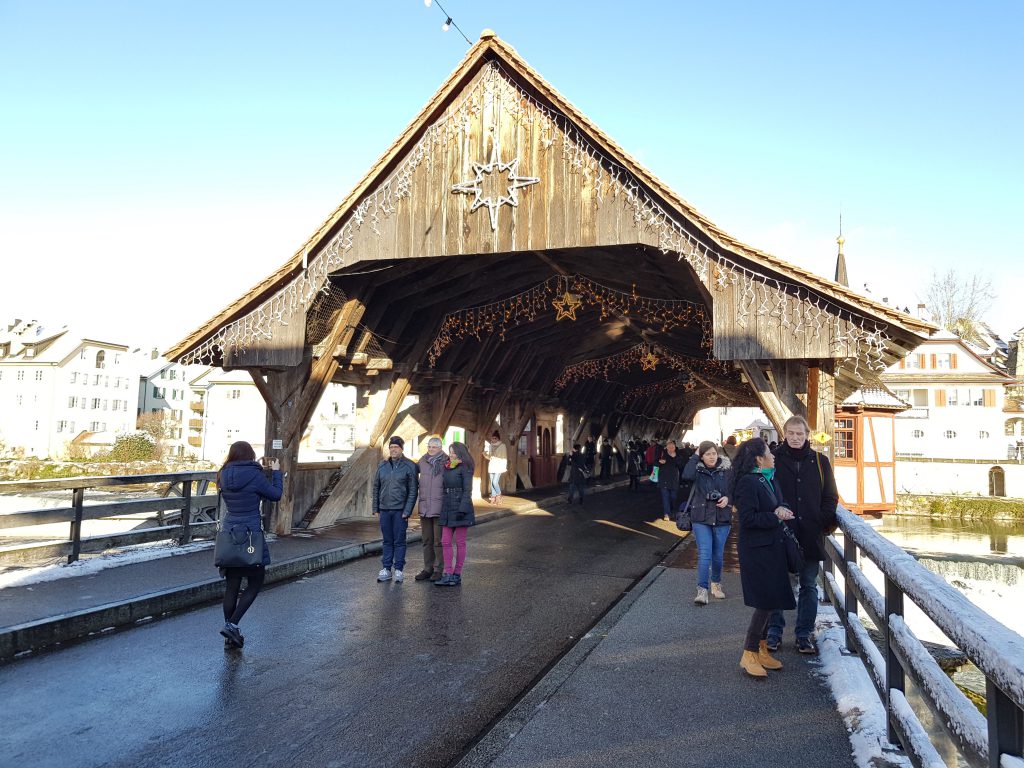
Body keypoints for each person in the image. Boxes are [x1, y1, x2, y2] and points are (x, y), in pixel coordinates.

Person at [765, 415, 839, 655]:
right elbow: (764, 491)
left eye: (800, 434)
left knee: (808, 586)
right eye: (791, 433)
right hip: (780, 533)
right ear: (784, 434)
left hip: (809, 533)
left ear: (807, 435)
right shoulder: (773, 460)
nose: (796, 438)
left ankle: (804, 634)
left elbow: (831, 496)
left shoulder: (820, 461)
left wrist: (820, 519)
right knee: (777, 584)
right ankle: (774, 632)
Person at [731, 437, 793, 678]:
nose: (774, 455)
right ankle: (749, 652)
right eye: (769, 452)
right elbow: (747, 519)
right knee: (765, 601)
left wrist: (782, 508)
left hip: (772, 547)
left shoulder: (769, 478)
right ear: (759, 458)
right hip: (756, 549)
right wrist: (775, 516)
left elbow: (779, 501)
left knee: (773, 598)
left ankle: (762, 649)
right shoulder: (748, 483)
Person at [216, 441, 282, 649]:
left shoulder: (223, 474)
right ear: (250, 455)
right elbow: (275, 495)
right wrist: (277, 473)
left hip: (229, 533)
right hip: (251, 535)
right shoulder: (255, 474)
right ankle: (232, 624)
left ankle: (230, 637)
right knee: (255, 582)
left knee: (232, 586)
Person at [682, 440, 732, 606]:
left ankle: (716, 584)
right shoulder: (696, 469)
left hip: (722, 517)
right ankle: (702, 590)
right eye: (707, 454)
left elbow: (735, 489)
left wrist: (728, 498)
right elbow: (686, 475)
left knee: (717, 555)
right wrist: (695, 456)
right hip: (701, 517)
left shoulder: (726, 470)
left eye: (714, 453)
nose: (711, 457)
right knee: (704, 554)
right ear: (702, 456)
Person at [372, 435, 418, 583]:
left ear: (401, 449)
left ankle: (398, 569)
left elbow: (413, 490)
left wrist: (407, 510)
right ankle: (386, 569)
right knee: (387, 540)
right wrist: (376, 508)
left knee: (399, 541)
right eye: (391, 447)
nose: (393, 450)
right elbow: (376, 487)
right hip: (384, 509)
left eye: (396, 447)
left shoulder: (409, 466)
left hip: (400, 510)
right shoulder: (383, 466)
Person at [436, 441, 476, 586]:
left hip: (460, 507)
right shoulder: (447, 467)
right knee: (445, 541)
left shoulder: (466, 467)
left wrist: (463, 508)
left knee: (460, 543)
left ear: (460, 453)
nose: (451, 455)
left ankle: (457, 574)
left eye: (453, 452)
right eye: (450, 452)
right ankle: (448, 573)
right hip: (447, 507)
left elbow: (468, 490)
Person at [415, 436, 446, 582]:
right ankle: (428, 568)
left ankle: (439, 569)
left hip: (440, 507)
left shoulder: (447, 462)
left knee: (438, 541)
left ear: (440, 448)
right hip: (425, 507)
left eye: (434, 447)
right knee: (426, 540)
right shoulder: (422, 461)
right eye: (429, 447)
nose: (431, 449)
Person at [657, 440, 685, 521]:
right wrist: (660, 462)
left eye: (672, 445)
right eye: (669, 445)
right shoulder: (662, 454)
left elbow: (681, 465)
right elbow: (655, 462)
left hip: (674, 479)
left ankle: (672, 509)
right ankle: (666, 513)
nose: (670, 447)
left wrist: (674, 458)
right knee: (665, 497)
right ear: (666, 446)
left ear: (675, 446)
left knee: (673, 497)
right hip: (664, 479)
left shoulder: (678, 455)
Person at [484, 431, 507, 505]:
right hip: (492, 465)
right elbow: (490, 457)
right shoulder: (490, 446)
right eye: (492, 438)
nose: (493, 439)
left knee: (494, 482)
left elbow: (504, 457)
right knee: (492, 483)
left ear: (498, 438)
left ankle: (499, 495)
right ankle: (493, 498)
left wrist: (503, 466)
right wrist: (485, 455)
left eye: (495, 438)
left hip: (499, 466)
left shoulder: (503, 445)